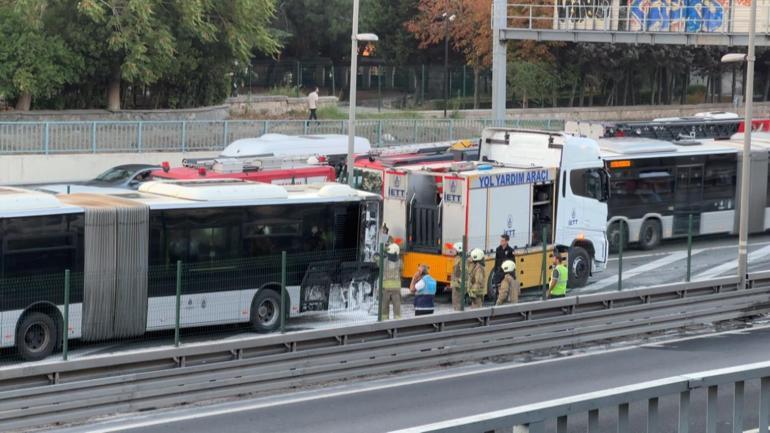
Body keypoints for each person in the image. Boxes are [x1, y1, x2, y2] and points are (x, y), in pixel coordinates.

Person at [381, 243, 402, 319]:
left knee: (384, 308)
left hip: (385, 289)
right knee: (397, 308)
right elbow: (401, 269)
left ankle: (384, 323)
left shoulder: (383, 261)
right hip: (396, 290)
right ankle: (397, 322)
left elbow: (376, 260)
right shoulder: (400, 262)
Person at [449, 242, 465, 311]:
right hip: (456, 285)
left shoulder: (461, 260)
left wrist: (459, 281)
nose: (452, 250)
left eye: (454, 249)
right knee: (455, 302)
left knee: (457, 303)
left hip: (458, 286)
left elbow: (464, 272)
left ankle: (459, 318)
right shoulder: (457, 259)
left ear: (458, 250)